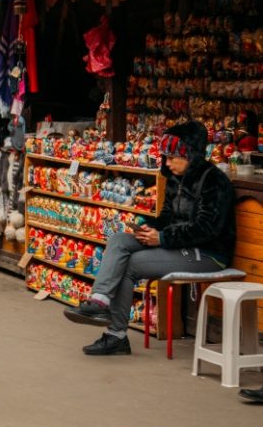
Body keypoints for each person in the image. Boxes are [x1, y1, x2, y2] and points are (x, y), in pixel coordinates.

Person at [64, 121, 236, 355]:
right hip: (177, 244)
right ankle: (100, 301)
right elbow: (166, 217)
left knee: (129, 265)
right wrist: (147, 227)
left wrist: (163, 238)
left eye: (171, 157)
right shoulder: (176, 178)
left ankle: (116, 336)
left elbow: (207, 229)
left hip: (208, 253)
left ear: (190, 154)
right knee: (119, 240)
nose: (166, 163)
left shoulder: (215, 181)